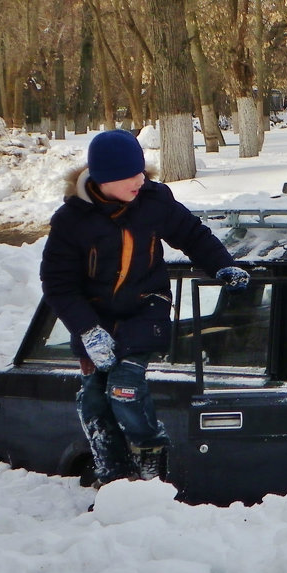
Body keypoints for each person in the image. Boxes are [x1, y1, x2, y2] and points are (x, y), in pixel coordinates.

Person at [39, 128, 250, 485]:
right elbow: (58, 285)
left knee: (124, 388)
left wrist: (222, 264)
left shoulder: (154, 201)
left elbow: (192, 234)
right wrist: (88, 331)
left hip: (146, 307)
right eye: (129, 176)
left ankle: (152, 451)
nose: (139, 180)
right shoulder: (71, 221)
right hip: (96, 318)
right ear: (104, 180)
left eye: (140, 172)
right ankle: (114, 473)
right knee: (92, 400)